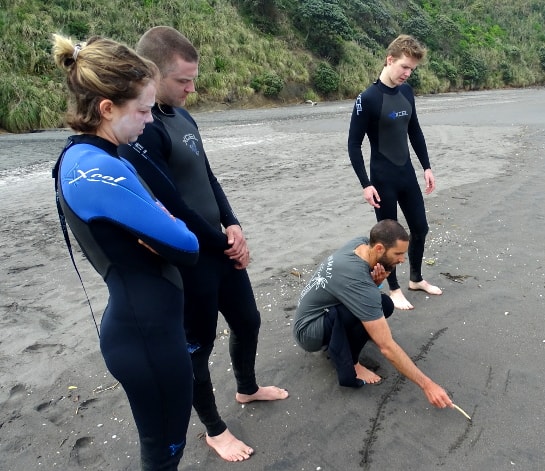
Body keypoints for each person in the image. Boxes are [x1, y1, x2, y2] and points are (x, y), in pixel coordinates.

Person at [119, 26, 288, 463]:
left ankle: (247, 388)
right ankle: (214, 429)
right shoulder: (145, 132)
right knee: (199, 345)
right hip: (192, 258)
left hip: (219, 245)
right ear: (153, 74)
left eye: (194, 79)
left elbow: (206, 178)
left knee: (248, 321)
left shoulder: (183, 116)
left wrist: (233, 225)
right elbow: (171, 203)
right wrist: (222, 242)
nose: (192, 88)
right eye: (183, 80)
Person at [51, 34, 199, 470]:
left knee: (163, 446)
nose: (150, 121)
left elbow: (166, 230)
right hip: (145, 338)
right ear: (106, 109)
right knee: (164, 451)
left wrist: (160, 224)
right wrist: (166, 224)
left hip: (146, 329)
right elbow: (186, 246)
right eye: (143, 109)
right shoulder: (97, 168)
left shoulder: (93, 156)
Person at [293, 219, 453, 408]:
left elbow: (358, 288)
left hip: (322, 311)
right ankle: (351, 363)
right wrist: (428, 385)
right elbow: (386, 346)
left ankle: (350, 338)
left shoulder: (360, 244)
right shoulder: (357, 280)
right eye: (398, 254)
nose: (402, 259)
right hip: (309, 332)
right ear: (378, 248)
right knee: (373, 306)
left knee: (384, 303)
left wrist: (375, 283)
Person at [347, 34, 442, 311]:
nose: (407, 73)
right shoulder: (367, 99)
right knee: (388, 239)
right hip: (382, 178)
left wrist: (426, 166)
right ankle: (393, 287)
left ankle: (416, 279)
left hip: (406, 175)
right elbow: (353, 144)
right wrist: (365, 184)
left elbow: (415, 130)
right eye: (404, 67)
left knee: (420, 228)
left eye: (411, 69)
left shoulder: (407, 92)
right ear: (390, 60)